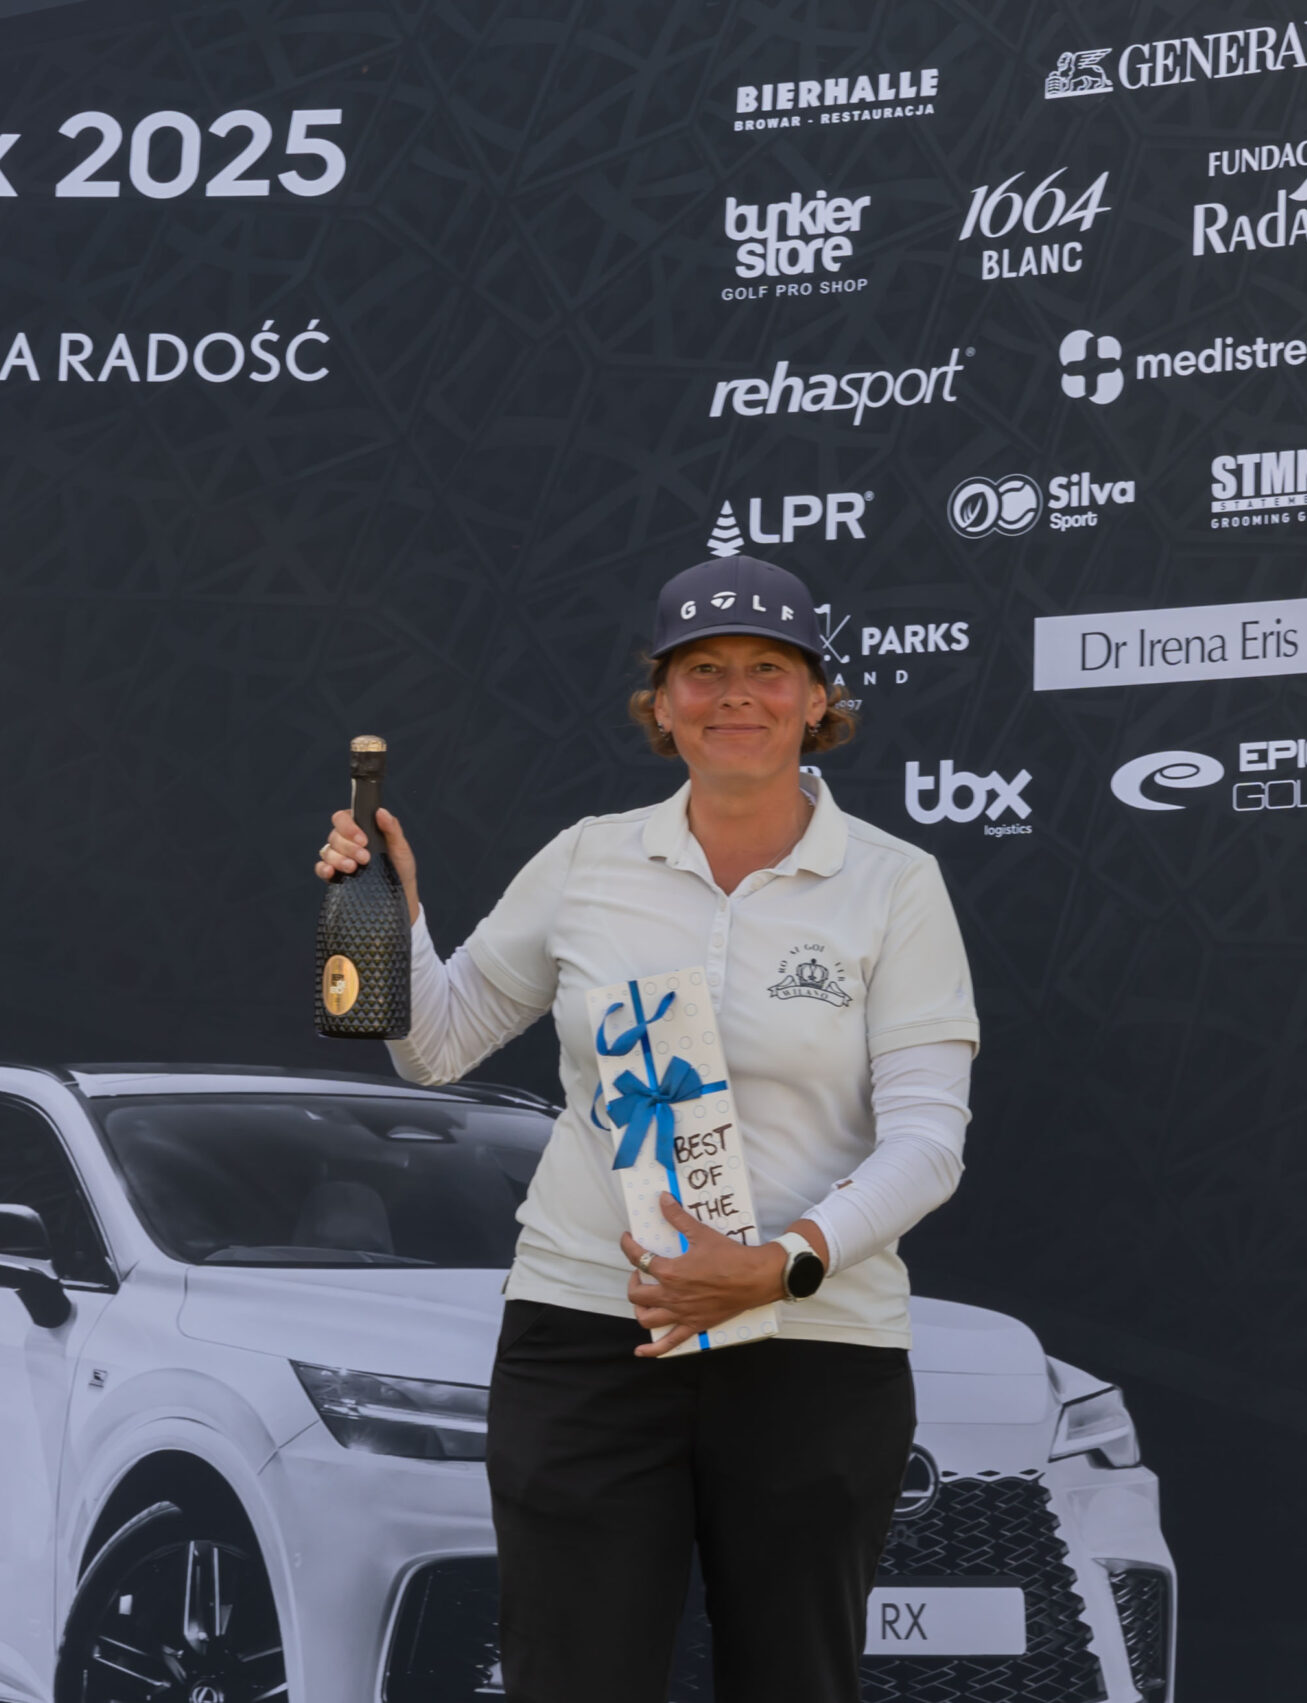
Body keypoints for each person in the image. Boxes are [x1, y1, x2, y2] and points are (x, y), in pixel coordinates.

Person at [313, 555, 978, 1703]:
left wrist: (781, 1262)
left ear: (817, 699)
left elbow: (927, 1138)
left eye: (767, 668)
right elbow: (438, 1043)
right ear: (659, 703)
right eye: (701, 669)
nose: (735, 693)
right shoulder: (587, 858)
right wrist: (399, 917)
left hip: (812, 1343)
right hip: (587, 1334)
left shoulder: (893, 883)